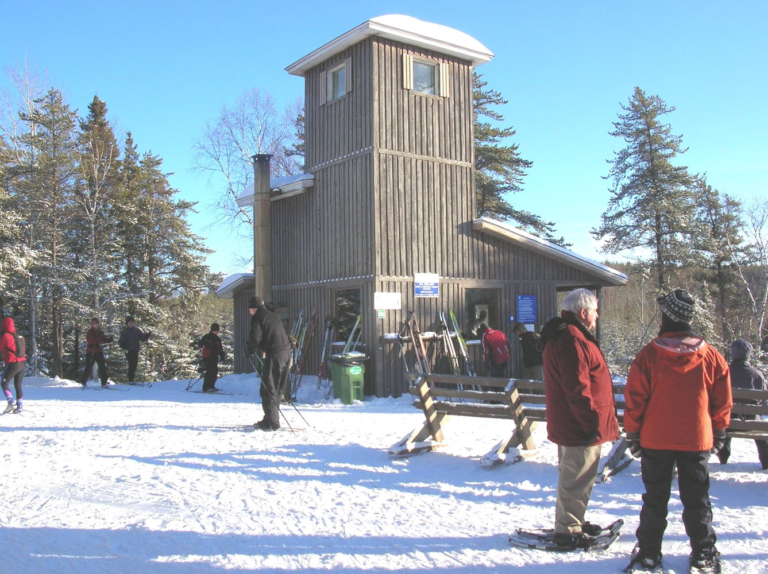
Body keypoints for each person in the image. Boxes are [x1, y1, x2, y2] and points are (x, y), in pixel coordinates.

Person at [623, 289, 732, 573]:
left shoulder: (649, 355)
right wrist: (719, 431)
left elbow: (635, 400)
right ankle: (703, 555)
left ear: (667, 317)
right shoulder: (711, 356)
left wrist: (632, 434)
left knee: (655, 499)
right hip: (696, 440)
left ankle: (648, 554)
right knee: (697, 500)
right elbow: (722, 401)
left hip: (655, 440)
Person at [539, 288, 620, 548]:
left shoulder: (568, 334)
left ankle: (573, 520)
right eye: (595, 312)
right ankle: (568, 530)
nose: (597, 318)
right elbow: (577, 387)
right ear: (583, 313)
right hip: (578, 424)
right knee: (576, 477)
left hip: (572, 421)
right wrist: (590, 423)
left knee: (576, 476)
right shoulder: (572, 339)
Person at [718, 339, 767, 469]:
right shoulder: (757, 374)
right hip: (752, 423)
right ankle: (766, 463)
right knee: (759, 423)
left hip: (727, 423)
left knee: (727, 417)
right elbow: (763, 401)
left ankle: (723, 459)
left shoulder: (724, 372)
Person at [246, 296, 291, 431]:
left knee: (268, 388)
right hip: (286, 353)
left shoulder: (258, 317)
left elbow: (255, 337)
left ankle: (272, 423)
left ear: (255, 308)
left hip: (275, 354)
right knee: (276, 388)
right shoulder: (272, 315)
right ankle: (271, 419)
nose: (249, 312)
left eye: (250, 309)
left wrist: (249, 349)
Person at [0, 317, 26, 413]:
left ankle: (11, 403)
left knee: (4, 383)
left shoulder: (6, 336)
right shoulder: (19, 336)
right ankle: (19, 406)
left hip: (12, 363)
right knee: (18, 385)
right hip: (22, 363)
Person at [81, 317, 113, 388]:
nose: (97, 325)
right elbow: (89, 341)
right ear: (93, 325)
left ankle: (104, 383)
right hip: (91, 351)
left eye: (97, 323)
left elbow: (103, 340)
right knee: (88, 367)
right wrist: (93, 337)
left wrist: (109, 340)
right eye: (95, 324)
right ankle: (83, 382)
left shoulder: (100, 332)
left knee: (102, 367)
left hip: (98, 351)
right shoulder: (90, 331)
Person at [118, 316, 151, 383]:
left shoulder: (136, 330)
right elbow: (121, 341)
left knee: (134, 364)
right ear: (127, 323)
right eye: (130, 322)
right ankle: (130, 379)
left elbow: (142, 338)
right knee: (131, 364)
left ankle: (131, 379)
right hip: (128, 350)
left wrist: (147, 335)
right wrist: (123, 346)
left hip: (135, 350)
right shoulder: (125, 332)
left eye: (132, 322)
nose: (131, 324)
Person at [199, 323, 226, 392]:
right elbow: (200, 344)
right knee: (209, 372)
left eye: (217, 330)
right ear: (212, 330)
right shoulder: (207, 337)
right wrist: (205, 343)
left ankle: (211, 386)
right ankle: (206, 387)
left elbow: (220, 348)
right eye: (214, 330)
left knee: (214, 372)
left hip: (214, 357)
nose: (216, 331)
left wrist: (222, 355)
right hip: (207, 357)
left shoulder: (217, 339)